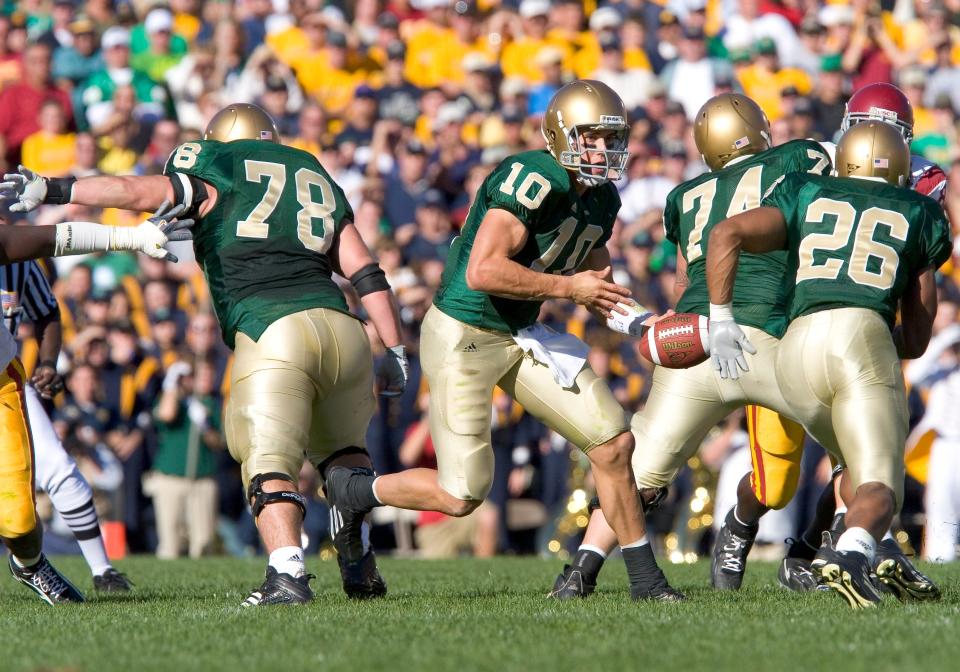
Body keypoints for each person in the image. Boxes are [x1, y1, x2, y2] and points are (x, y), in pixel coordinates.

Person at [1, 103, 408, 606]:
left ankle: (288, 574)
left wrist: (60, 189)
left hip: (271, 325)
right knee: (345, 459)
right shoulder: (311, 170)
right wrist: (394, 345)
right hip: (345, 327)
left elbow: (139, 191)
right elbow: (365, 269)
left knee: (266, 456)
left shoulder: (213, 162)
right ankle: (358, 562)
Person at [323, 80, 684, 602]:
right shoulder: (534, 177)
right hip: (463, 333)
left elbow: (599, 285)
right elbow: (483, 270)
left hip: (521, 335)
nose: (603, 150)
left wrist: (644, 323)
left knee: (614, 442)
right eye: (590, 138)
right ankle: (355, 491)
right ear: (560, 136)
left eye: (611, 138)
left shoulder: (602, 198)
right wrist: (567, 288)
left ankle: (646, 581)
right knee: (462, 493)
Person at [549, 93, 831, 599]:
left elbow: (683, 282)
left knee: (642, 475)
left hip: (696, 337)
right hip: (770, 338)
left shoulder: (686, 194)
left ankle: (580, 572)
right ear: (758, 130)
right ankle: (821, 552)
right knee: (853, 450)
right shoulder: (801, 156)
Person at [705, 121, 951, 608]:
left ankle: (851, 549)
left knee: (851, 468)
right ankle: (852, 553)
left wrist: (720, 318)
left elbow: (727, 231)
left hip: (792, 350)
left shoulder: (807, 189)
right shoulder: (920, 210)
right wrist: (879, 344)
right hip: (860, 337)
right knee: (880, 483)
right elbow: (920, 338)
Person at [0, 195, 185, 603]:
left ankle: (30, 564)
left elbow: (57, 238)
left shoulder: (11, 253)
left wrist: (131, 237)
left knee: (18, 520)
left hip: (2, 388)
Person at [1, 211, 131, 591]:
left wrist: (46, 361)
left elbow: (47, 313)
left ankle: (101, 568)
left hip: (6, 384)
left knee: (58, 468)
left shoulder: (17, 260)